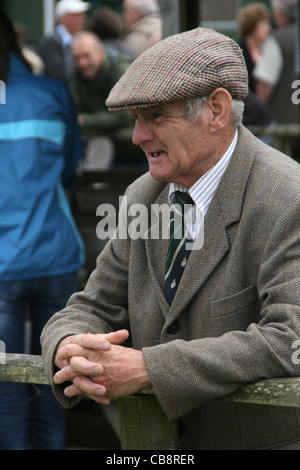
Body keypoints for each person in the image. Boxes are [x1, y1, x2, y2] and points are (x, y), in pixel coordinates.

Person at [41, 27, 300, 450]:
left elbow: (290, 338)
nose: (137, 136)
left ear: (216, 110)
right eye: (136, 119)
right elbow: (92, 305)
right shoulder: (146, 194)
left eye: (156, 116)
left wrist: (148, 369)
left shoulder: (287, 197)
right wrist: (69, 346)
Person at [0, 12, 84, 449]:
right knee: (58, 379)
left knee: (6, 385)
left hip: (3, 266)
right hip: (55, 254)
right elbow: (70, 169)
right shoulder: (53, 92)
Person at [69, 31, 145, 166]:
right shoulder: (77, 79)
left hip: (141, 148)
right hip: (113, 148)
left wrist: (85, 121)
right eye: (77, 58)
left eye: (86, 56)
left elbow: (127, 115)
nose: (82, 63)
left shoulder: (121, 71)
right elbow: (74, 113)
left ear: (100, 52)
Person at [238, 2, 283, 103]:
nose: (268, 28)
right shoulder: (239, 51)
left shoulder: (268, 48)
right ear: (252, 26)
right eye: (263, 24)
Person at [40, 0, 90, 82]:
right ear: (63, 18)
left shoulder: (83, 39)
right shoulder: (51, 42)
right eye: (76, 15)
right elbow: (60, 75)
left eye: (83, 14)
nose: (82, 19)